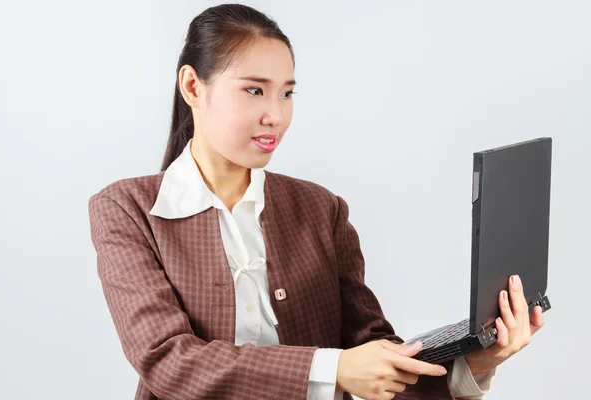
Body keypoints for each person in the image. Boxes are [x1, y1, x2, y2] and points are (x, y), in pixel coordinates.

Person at [87, 3, 545, 400]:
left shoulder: (322, 209)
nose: (277, 115)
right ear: (193, 87)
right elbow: (168, 362)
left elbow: (374, 352)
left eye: (288, 93)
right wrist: (334, 370)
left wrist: (477, 361)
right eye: (254, 90)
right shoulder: (127, 209)